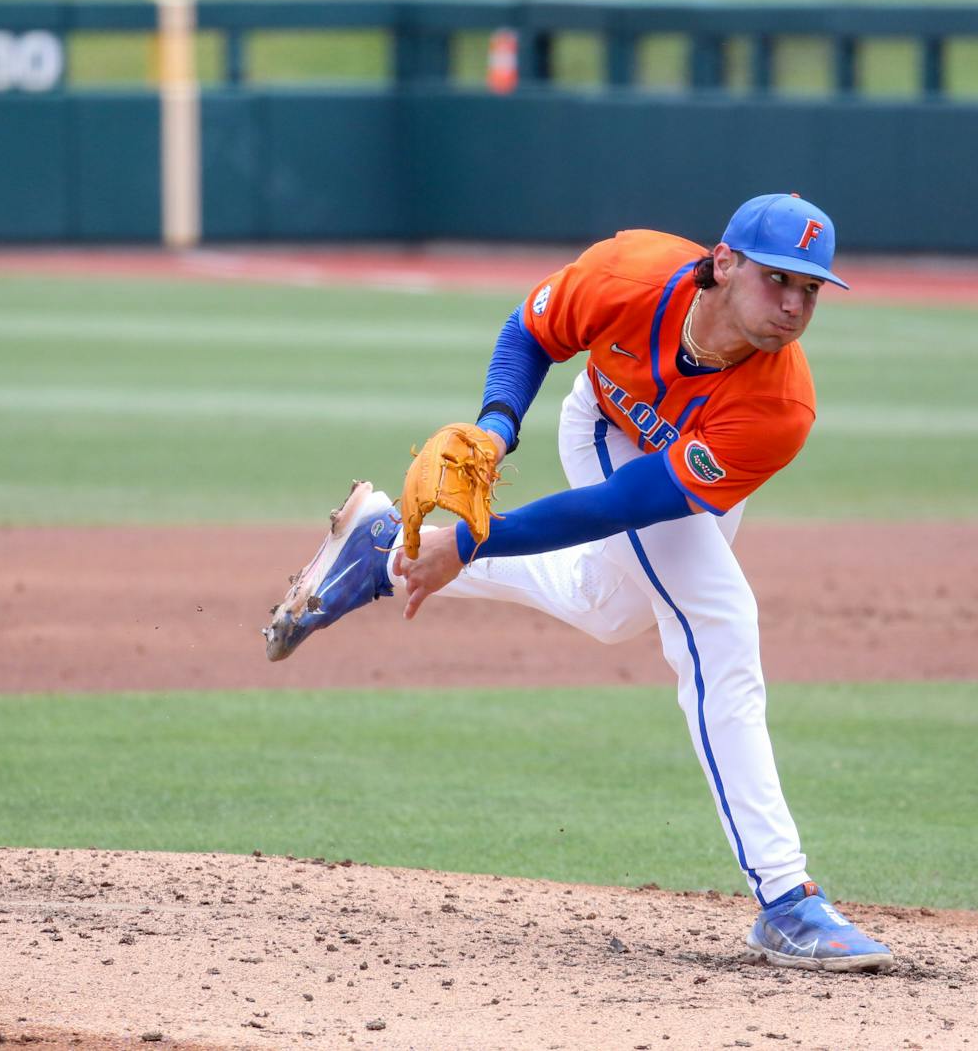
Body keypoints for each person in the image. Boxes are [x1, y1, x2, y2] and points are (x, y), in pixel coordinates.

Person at [263, 193, 894, 973]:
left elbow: (627, 504)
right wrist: (495, 427)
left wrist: (465, 539)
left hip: (663, 469)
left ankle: (387, 550)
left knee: (607, 606)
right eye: (778, 279)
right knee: (718, 622)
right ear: (724, 263)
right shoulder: (630, 271)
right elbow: (530, 329)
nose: (795, 304)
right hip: (604, 422)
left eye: (811, 289)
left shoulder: (781, 405)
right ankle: (785, 897)